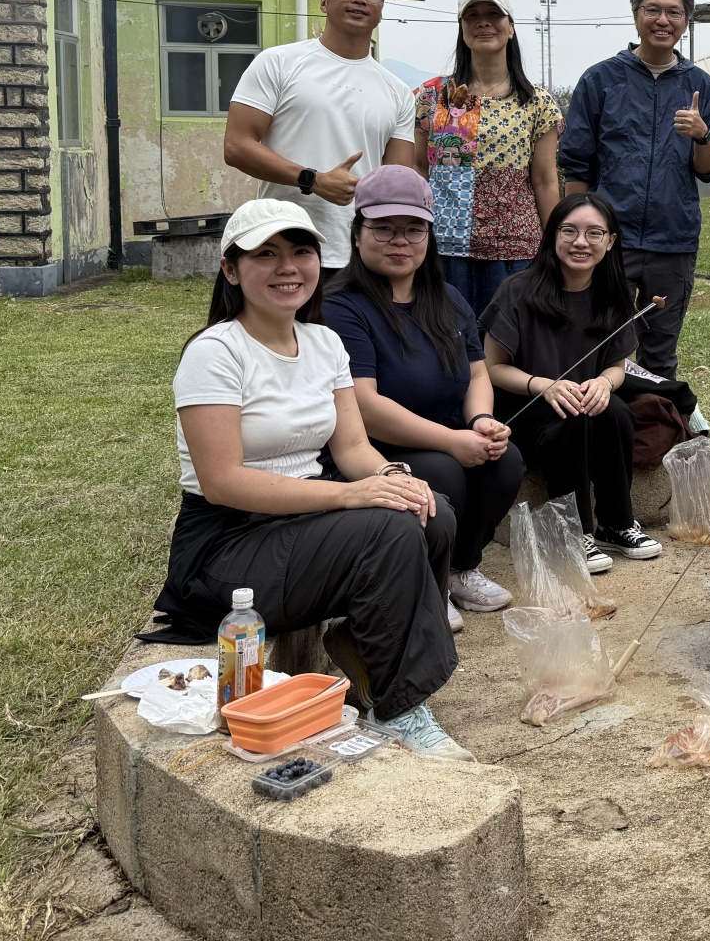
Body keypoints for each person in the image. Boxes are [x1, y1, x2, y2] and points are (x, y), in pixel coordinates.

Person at [152, 198, 471, 760]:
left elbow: (352, 448)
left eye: (301, 252)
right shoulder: (215, 352)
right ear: (230, 270)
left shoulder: (324, 343)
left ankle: (359, 642)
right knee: (386, 530)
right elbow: (223, 481)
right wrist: (350, 495)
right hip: (229, 544)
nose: (288, 268)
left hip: (304, 526)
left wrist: (393, 477)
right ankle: (398, 710)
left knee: (430, 510)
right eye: (265, 255)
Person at [322, 166, 526, 635]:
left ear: (429, 237)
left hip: (447, 432)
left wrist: (480, 419)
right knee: (443, 471)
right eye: (384, 229)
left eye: (414, 229)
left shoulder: (448, 298)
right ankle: (427, 583)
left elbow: (478, 371)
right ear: (357, 234)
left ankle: (460, 568)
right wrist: (452, 442)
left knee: (506, 460)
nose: (400, 241)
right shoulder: (341, 306)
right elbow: (363, 403)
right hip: (373, 448)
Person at [556, 0, 710, 382]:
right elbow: (577, 164)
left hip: (673, 240)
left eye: (674, 12)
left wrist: (701, 135)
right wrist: (576, 231)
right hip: (609, 239)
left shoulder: (699, 85)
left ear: (685, 21)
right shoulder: (601, 80)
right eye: (653, 10)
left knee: (660, 353)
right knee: (594, 344)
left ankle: (654, 421)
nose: (663, 20)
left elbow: (709, 168)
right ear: (636, 16)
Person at [483, 193, 662, 568]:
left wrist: (604, 384)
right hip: (524, 409)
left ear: (610, 241)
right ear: (553, 235)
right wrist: (543, 385)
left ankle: (615, 524)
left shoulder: (612, 295)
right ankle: (572, 532)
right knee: (573, 418)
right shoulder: (517, 290)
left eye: (594, 233)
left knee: (616, 413)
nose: (581, 242)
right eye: (569, 231)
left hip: (581, 405)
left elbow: (617, 366)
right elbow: (492, 368)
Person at [224, 0, 417, 275]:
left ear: (381, 9)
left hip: (361, 256)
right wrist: (312, 180)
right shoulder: (278, 63)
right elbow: (236, 146)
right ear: (324, 1)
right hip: (285, 246)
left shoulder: (398, 92)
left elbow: (394, 183)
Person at [414, 0, 562, 318]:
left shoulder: (537, 102)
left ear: (511, 28)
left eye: (494, 15)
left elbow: (545, 180)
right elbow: (417, 168)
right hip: (444, 247)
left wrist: (555, 245)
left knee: (507, 339)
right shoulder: (431, 96)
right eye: (472, 16)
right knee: (445, 335)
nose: (483, 22)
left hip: (516, 251)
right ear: (461, 28)